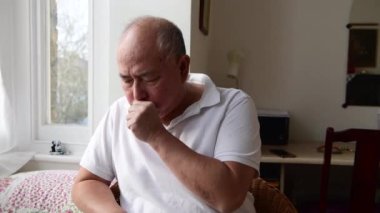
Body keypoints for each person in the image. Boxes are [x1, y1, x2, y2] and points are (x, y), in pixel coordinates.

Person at [72, 16, 261, 213]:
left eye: (149, 78)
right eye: (127, 80)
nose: (137, 95)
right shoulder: (118, 112)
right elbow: (85, 183)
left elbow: (228, 197)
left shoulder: (233, 105)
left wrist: (156, 135)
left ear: (182, 68)